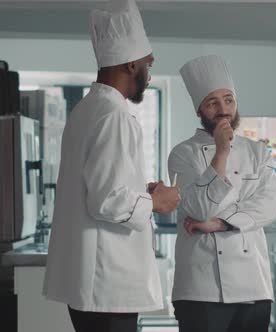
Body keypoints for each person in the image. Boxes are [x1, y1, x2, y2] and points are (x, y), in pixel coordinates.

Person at [43, 1, 180, 331]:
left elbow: (101, 186)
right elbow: (106, 200)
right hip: (107, 284)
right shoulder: (115, 116)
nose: (150, 72)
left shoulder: (86, 110)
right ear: (132, 64)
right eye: (148, 64)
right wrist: (157, 202)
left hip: (90, 284)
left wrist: (139, 193)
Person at [168, 55, 276, 332]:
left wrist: (219, 224)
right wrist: (221, 152)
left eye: (228, 100)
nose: (223, 109)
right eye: (212, 102)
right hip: (201, 288)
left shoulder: (258, 152)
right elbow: (199, 209)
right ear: (199, 110)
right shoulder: (183, 153)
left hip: (253, 286)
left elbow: (270, 206)